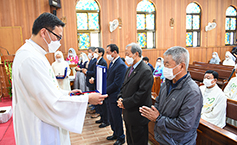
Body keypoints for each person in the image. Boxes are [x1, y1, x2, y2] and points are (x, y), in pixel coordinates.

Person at [12, 12, 107, 145]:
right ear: (44, 32)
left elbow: (46, 90)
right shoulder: (30, 58)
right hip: (40, 129)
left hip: (42, 120)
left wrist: (66, 93)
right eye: (57, 37)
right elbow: (49, 101)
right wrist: (87, 98)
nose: (59, 43)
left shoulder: (35, 54)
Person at [139, 46, 203, 145]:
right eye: (164, 64)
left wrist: (158, 118)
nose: (164, 68)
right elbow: (159, 104)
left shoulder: (192, 91)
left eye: (167, 64)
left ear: (181, 66)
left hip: (179, 142)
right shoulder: (166, 83)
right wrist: (151, 112)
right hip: (164, 138)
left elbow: (185, 124)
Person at [117, 43, 153, 145]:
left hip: (138, 115)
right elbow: (124, 86)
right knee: (130, 140)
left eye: (128, 54)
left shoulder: (145, 70)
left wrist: (125, 103)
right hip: (129, 113)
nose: (126, 57)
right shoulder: (130, 68)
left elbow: (141, 95)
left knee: (138, 141)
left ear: (136, 54)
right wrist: (120, 97)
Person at [106, 44, 127, 145]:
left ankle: (121, 137)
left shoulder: (121, 64)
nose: (107, 55)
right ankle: (115, 133)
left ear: (115, 52)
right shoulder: (112, 63)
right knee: (111, 117)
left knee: (117, 117)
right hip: (110, 94)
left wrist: (105, 91)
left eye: (108, 52)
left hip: (115, 94)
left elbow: (117, 83)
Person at [89, 47, 109, 128]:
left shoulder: (103, 62)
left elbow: (102, 75)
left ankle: (106, 120)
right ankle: (102, 117)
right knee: (100, 105)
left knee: (103, 105)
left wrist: (95, 79)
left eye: (96, 52)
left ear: (100, 53)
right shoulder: (97, 61)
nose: (94, 53)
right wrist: (93, 78)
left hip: (101, 85)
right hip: (97, 85)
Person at [82, 47, 98, 117]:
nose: (89, 53)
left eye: (90, 52)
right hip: (89, 79)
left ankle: (96, 110)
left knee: (94, 93)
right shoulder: (91, 60)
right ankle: (93, 107)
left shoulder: (95, 60)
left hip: (92, 80)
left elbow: (94, 72)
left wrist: (87, 72)